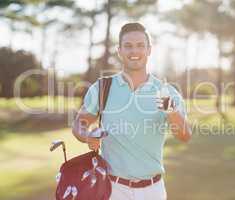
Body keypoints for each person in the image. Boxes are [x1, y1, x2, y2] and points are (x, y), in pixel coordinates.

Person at [72, 22, 192, 200]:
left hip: (153, 191)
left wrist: (171, 111)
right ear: (119, 51)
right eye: (128, 46)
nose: (134, 51)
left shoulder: (167, 92)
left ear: (149, 50)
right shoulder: (102, 88)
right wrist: (87, 136)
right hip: (111, 189)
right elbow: (79, 125)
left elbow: (185, 135)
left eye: (140, 46)